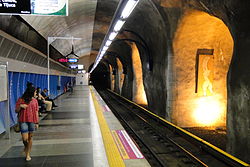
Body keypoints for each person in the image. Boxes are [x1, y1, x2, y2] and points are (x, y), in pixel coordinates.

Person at [15, 86, 39, 161]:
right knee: (25, 139)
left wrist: (37, 122)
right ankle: (26, 148)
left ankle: (27, 154)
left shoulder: (35, 101)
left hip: (32, 121)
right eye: (35, 92)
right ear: (31, 92)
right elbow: (16, 110)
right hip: (23, 121)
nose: (36, 93)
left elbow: (36, 111)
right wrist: (21, 106)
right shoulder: (21, 99)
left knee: (30, 137)